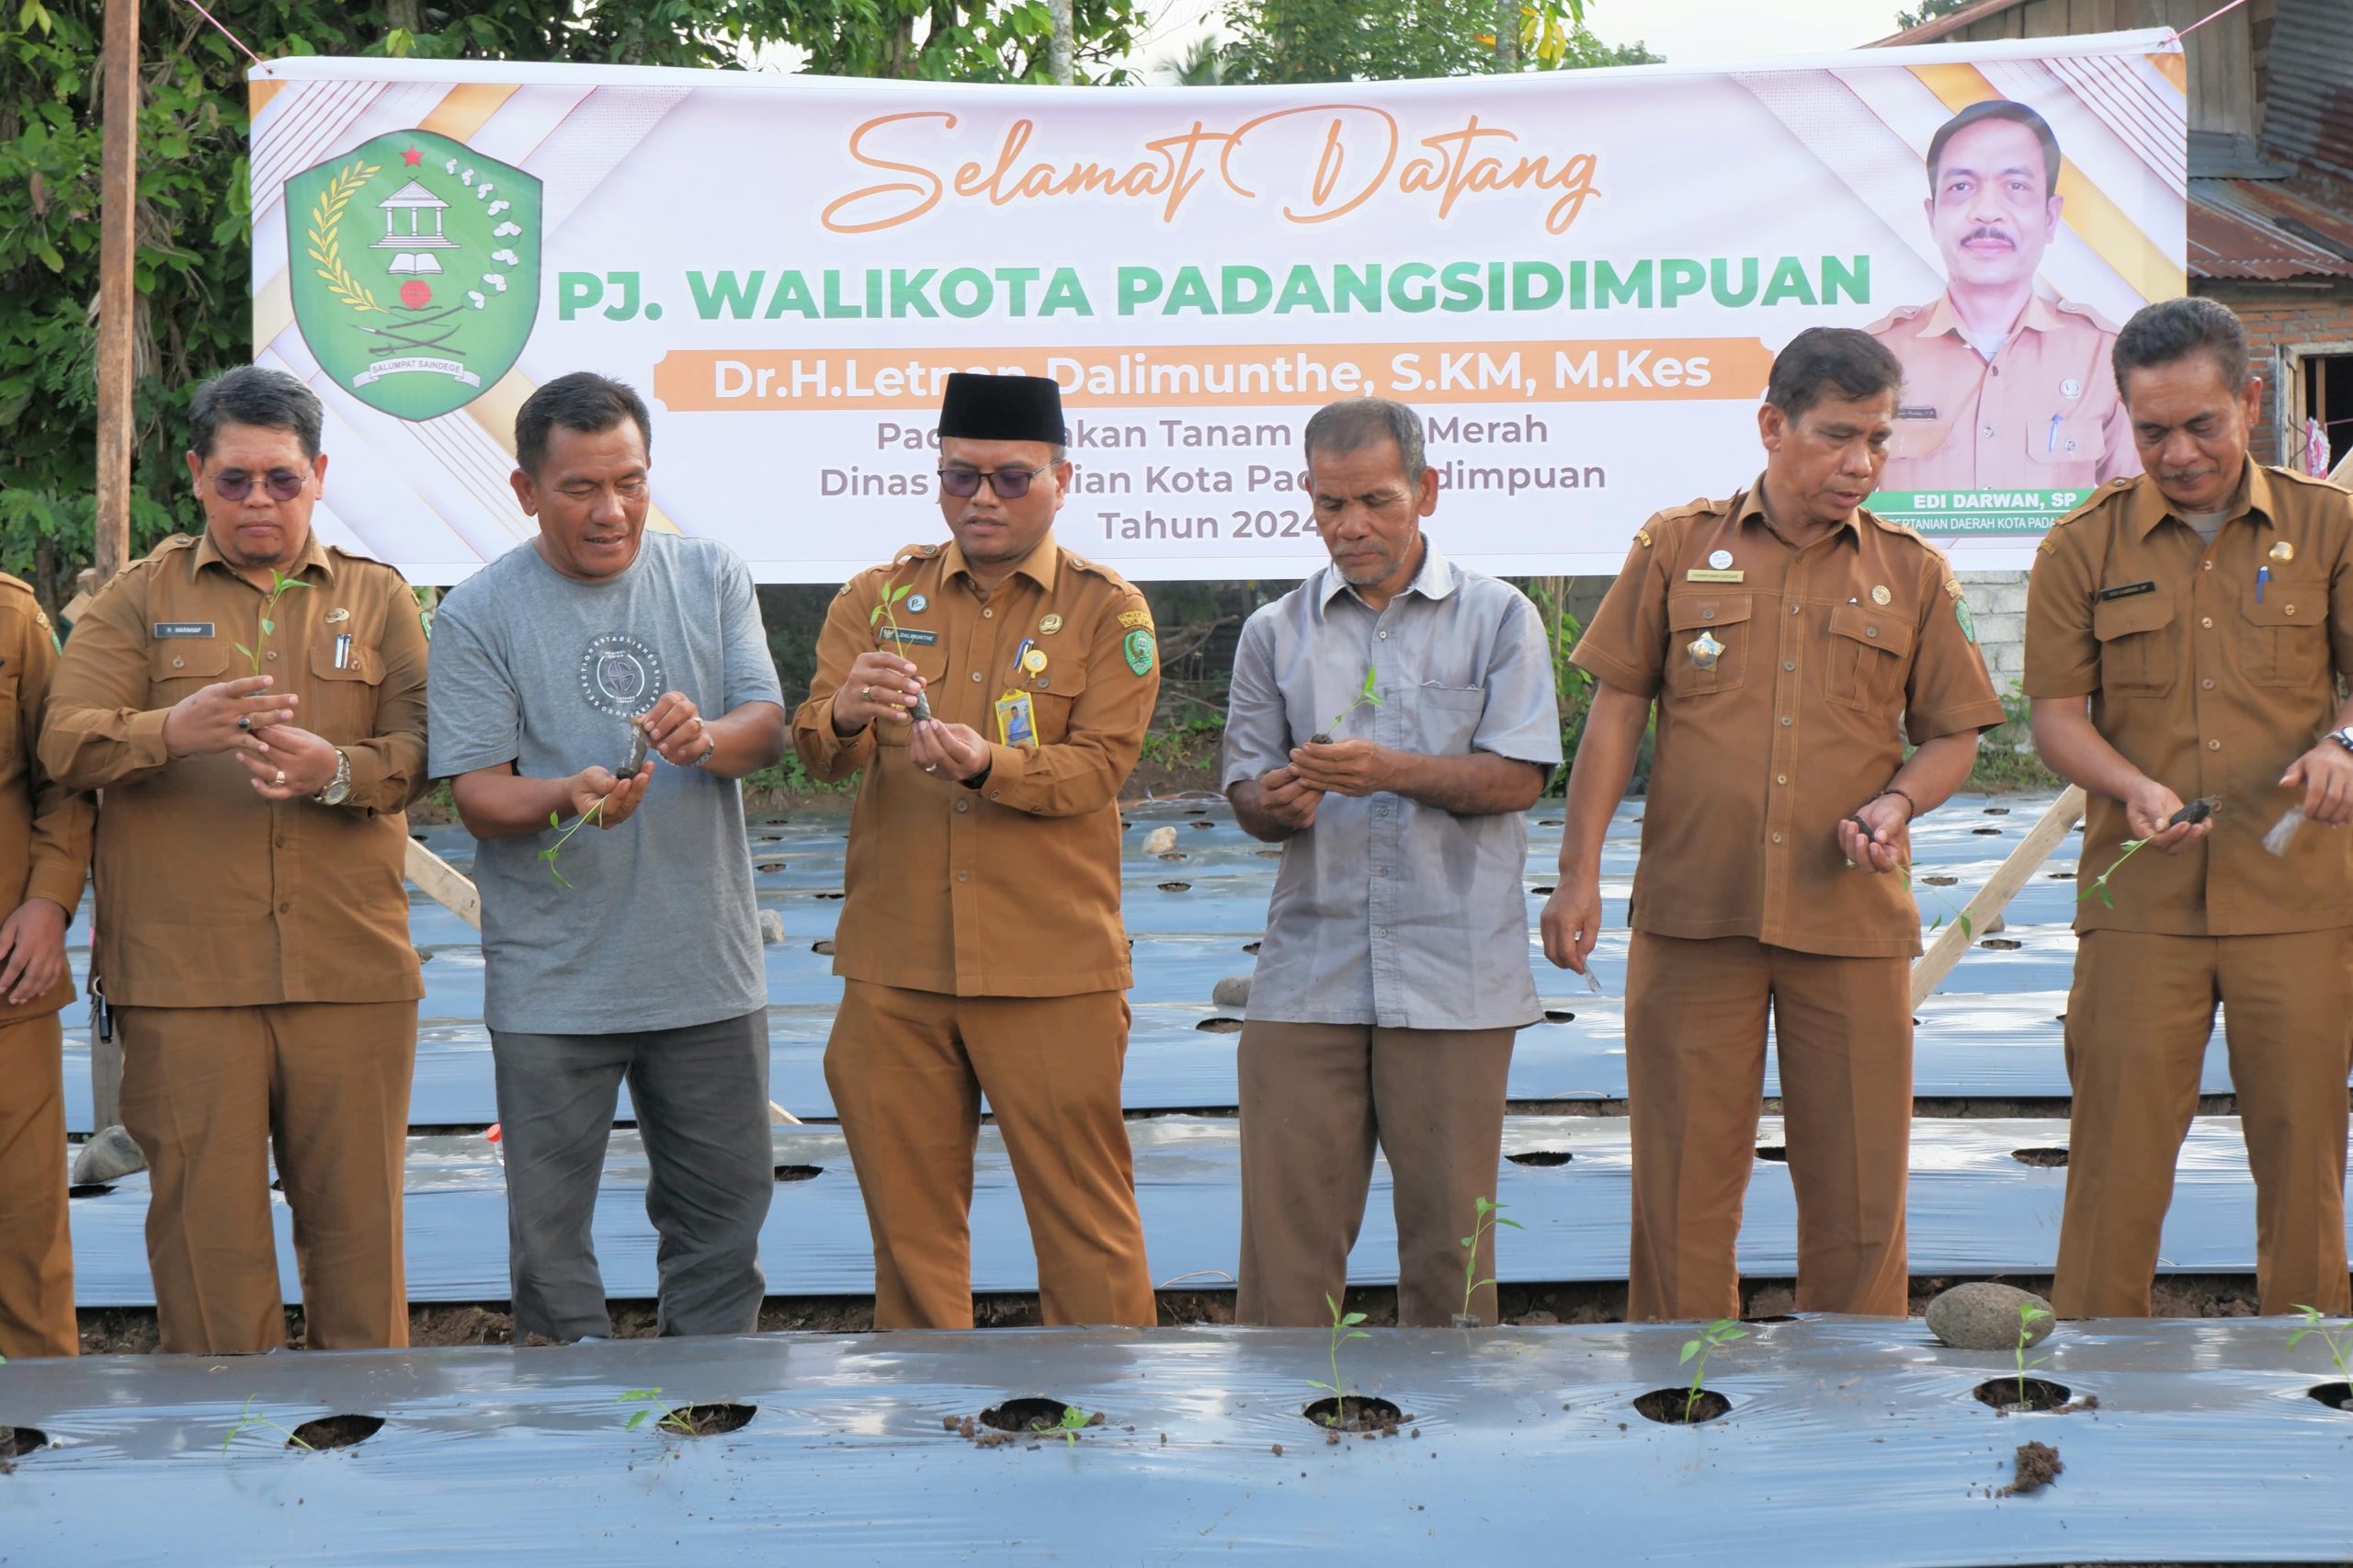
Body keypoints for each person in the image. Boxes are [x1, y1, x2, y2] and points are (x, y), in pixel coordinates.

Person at [1541, 327, 2006, 1321]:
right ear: (1771, 425)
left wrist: (1896, 802)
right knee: (1680, 1182)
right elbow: (1616, 711)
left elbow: (1952, 736)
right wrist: (1576, 871)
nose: (1860, 464)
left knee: (1856, 1187)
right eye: (1838, 435)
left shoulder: (1913, 572)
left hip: (1847, 921)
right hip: (1693, 915)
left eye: (1878, 440)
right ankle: (1680, 1398)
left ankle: (1850, 1405)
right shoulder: (1676, 546)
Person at [40, 365, 428, 1354]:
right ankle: (231, 1459)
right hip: (185, 977)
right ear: (197, 476)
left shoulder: (380, 602)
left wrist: (334, 768)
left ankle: (363, 1445)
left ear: (319, 474)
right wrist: (172, 727)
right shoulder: (135, 601)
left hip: (349, 971)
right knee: (207, 1242)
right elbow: (63, 741)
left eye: (282, 480)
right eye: (236, 480)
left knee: (360, 1233)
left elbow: (426, 754)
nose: (260, 500)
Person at [792, 371, 1157, 1329]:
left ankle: (1108, 1424)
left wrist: (991, 763)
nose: (982, 499)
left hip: (1050, 967)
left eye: (1009, 477)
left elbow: (1098, 770)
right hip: (898, 967)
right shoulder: (877, 597)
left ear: (1060, 478)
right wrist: (838, 710)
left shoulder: (1105, 611)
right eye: (960, 477)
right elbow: (814, 752)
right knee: (908, 1236)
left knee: (1085, 1223)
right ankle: (927, 1436)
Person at [428, 372, 787, 1341]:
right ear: (526, 489)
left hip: (704, 973)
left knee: (721, 1228)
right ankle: (572, 1448)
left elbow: (765, 725)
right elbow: (478, 794)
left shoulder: (708, 574)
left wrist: (705, 736)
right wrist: (564, 793)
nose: (610, 510)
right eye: (581, 487)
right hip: (555, 986)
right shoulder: (478, 612)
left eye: (628, 481)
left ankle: (708, 1429)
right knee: (550, 1248)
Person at [2025, 296, 2353, 1318]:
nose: (2176, 452)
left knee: (2304, 1156)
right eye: (2150, 428)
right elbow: (2054, 719)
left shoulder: (2329, 523)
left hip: (2297, 896)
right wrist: (2128, 785)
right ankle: (2086, 1380)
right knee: (2115, 1155)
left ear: (2250, 401)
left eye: (2199, 424)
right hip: (2142, 902)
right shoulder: (2081, 545)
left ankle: (2310, 1389)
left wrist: (2342, 744)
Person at [1221, 398, 1559, 1327]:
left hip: (1453, 971)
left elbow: (1520, 776)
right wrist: (1273, 801)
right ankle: (1280, 1444)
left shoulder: (1498, 617)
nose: (1351, 525)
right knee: (1285, 1253)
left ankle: (1450, 1456)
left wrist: (1388, 772)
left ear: (1426, 490)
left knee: (1452, 1248)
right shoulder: (1273, 631)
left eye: (1374, 499)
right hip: (1306, 973)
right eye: (1330, 504)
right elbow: (1246, 791)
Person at [1868, 99, 2136, 494]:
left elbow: (2134, 515)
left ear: (2049, 217)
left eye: (2015, 187)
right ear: (1932, 217)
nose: (1987, 213)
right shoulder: (1875, 358)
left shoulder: (2107, 358)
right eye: (1962, 187)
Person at [0, 574, 91, 1358]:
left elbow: (61, 778)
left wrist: (50, 902)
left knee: (26, 1225)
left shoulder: (10, 616)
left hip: (6, 978)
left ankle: (39, 1438)